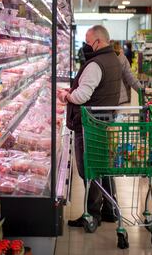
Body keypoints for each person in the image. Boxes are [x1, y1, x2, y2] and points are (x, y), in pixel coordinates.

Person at [57, 25, 122, 227]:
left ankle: (93, 214)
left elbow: (83, 96)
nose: (86, 46)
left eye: (87, 42)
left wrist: (67, 95)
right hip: (104, 120)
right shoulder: (114, 59)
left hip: (90, 123)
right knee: (103, 166)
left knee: (90, 169)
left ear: (98, 41)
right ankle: (110, 210)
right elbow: (97, 88)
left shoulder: (95, 64)